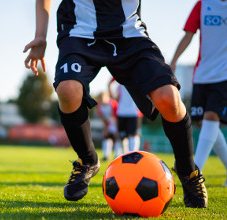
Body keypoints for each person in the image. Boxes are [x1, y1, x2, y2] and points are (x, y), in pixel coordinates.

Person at [24, 0, 207, 207]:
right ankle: (87, 161)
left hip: (129, 33)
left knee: (169, 97)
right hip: (79, 31)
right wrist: (40, 35)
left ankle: (188, 170)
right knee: (67, 89)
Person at [170, 0, 227, 187]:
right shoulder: (202, 5)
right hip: (202, 74)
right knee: (206, 123)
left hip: (224, 75)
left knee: (211, 117)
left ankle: (194, 173)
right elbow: (188, 35)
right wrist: (174, 60)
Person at [109, 78, 143, 153]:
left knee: (132, 135)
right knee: (123, 135)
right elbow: (116, 97)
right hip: (122, 112)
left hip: (133, 112)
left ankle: (133, 154)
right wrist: (109, 85)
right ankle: (125, 155)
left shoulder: (136, 81)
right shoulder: (120, 84)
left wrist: (109, 85)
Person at [96, 92, 121, 160]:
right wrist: (106, 128)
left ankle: (117, 155)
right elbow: (103, 118)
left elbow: (116, 117)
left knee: (117, 138)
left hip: (116, 123)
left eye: (102, 98)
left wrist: (117, 129)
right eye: (100, 98)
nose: (101, 100)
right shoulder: (99, 106)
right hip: (108, 124)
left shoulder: (113, 104)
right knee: (106, 137)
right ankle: (106, 156)